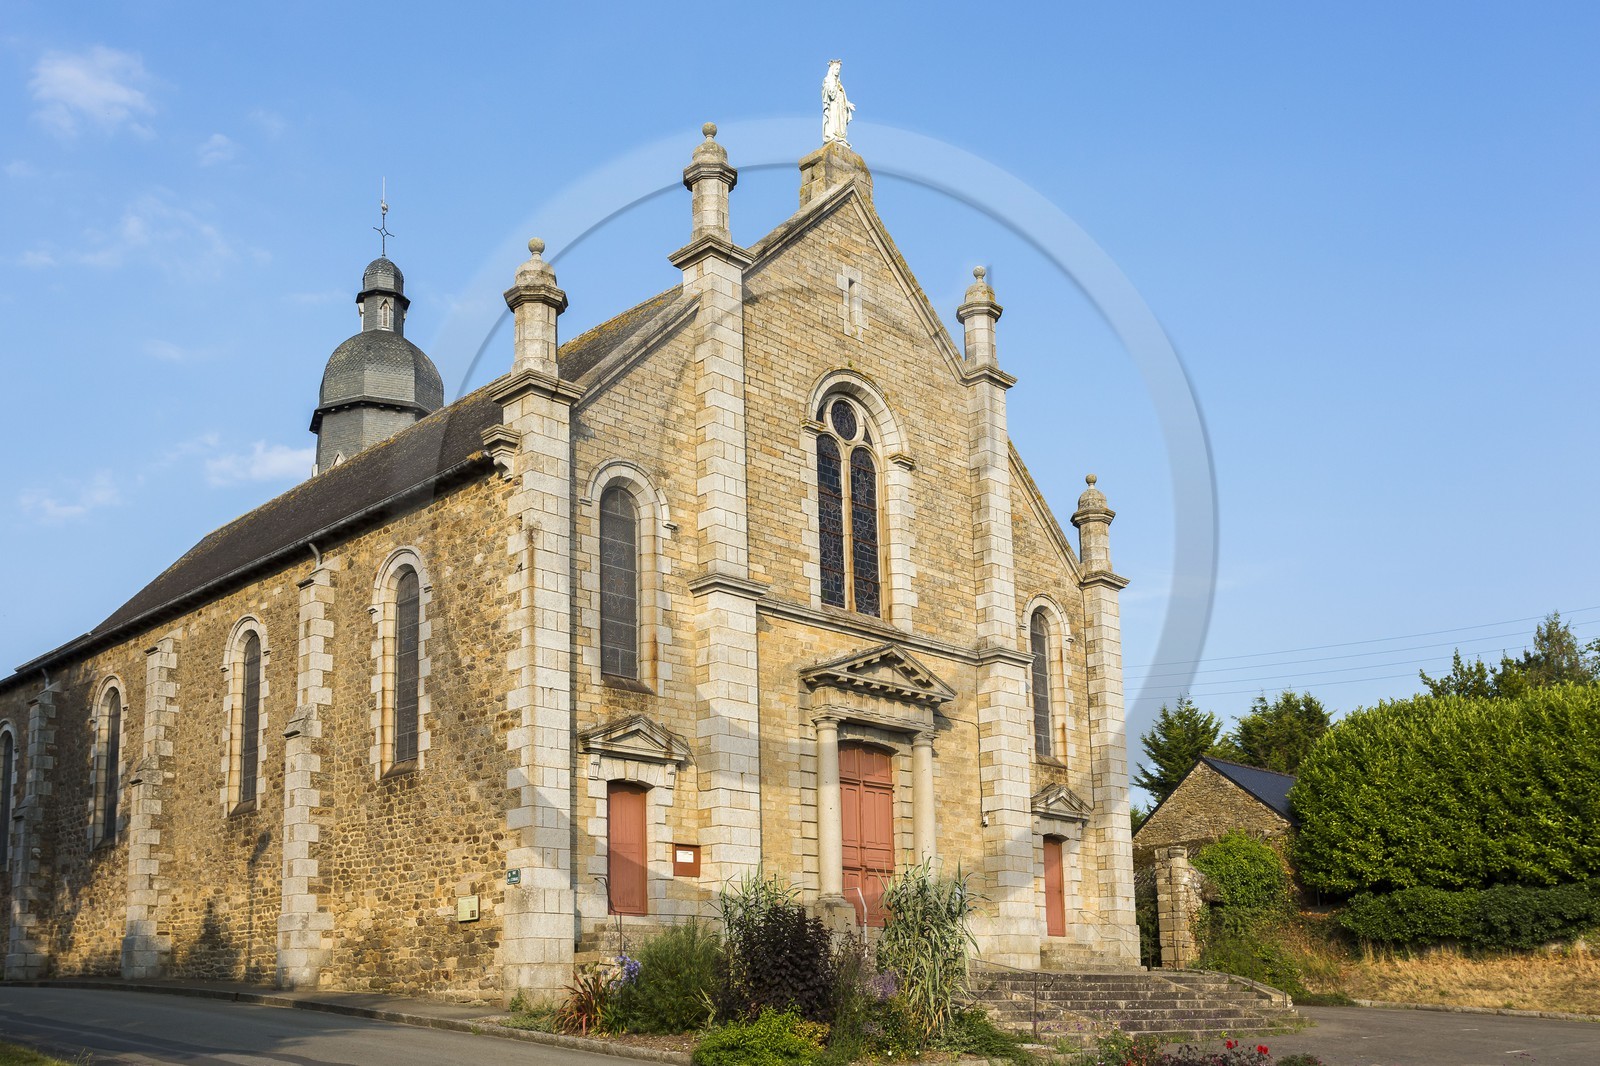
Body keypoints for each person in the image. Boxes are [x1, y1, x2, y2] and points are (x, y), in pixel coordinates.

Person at [822, 59, 855, 146]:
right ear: (832, 70)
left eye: (839, 69)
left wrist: (848, 104)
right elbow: (830, 94)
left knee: (840, 122)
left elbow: (843, 97)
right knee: (834, 121)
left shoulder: (839, 84)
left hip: (840, 106)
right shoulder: (828, 80)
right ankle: (833, 135)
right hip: (833, 106)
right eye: (836, 69)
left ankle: (840, 138)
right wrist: (834, 86)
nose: (838, 71)